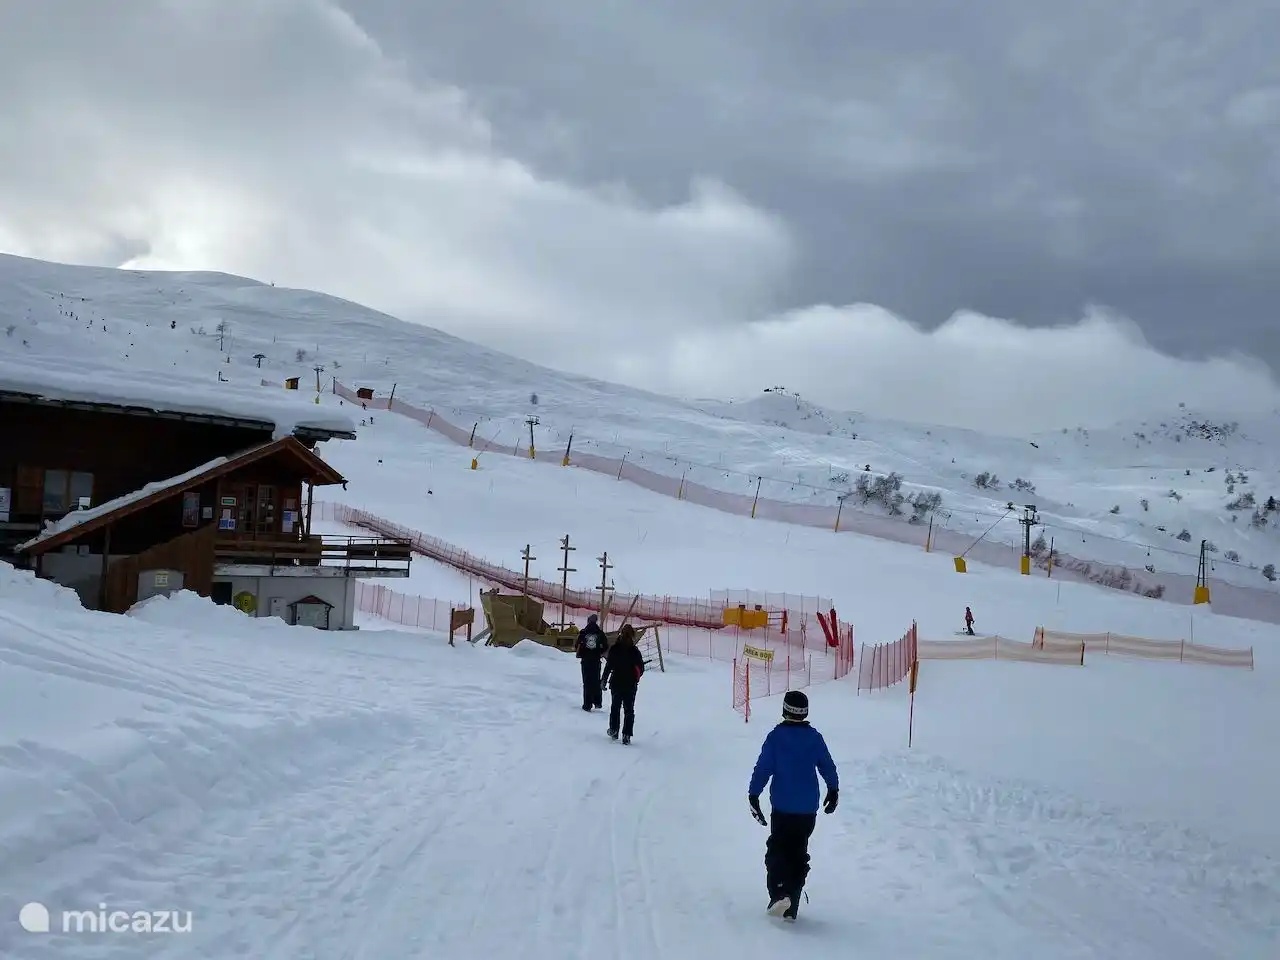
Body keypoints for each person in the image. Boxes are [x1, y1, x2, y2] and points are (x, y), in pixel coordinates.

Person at [747, 690, 838, 921]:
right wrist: (833, 789)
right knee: (798, 852)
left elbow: (763, 768)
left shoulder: (776, 737)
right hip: (807, 810)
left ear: (784, 710)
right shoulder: (814, 738)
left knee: (778, 850)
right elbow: (827, 765)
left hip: (783, 808)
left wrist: (754, 794)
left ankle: (779, 892)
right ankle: (792, 902)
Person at [600, 623, 645, 743]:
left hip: (616, 682)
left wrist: (604, 679)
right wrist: (636, 677)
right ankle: (626, 734)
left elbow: (608, 666)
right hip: (630, 684)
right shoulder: (635, 651)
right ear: (633, 636)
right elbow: (641, 668)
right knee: (629, 709)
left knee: (615, 707)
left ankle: (614, 730)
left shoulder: (615, 648)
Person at [575, 614, 608, 711]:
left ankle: (587, 704)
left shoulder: (583, 632)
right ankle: (597, 702)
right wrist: (599, 652)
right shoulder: (600, 633)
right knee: (596, 680)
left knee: (587, 682)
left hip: (585, 661)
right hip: (596, 660)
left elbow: (576, 645)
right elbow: (606, 646)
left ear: (588, 621)